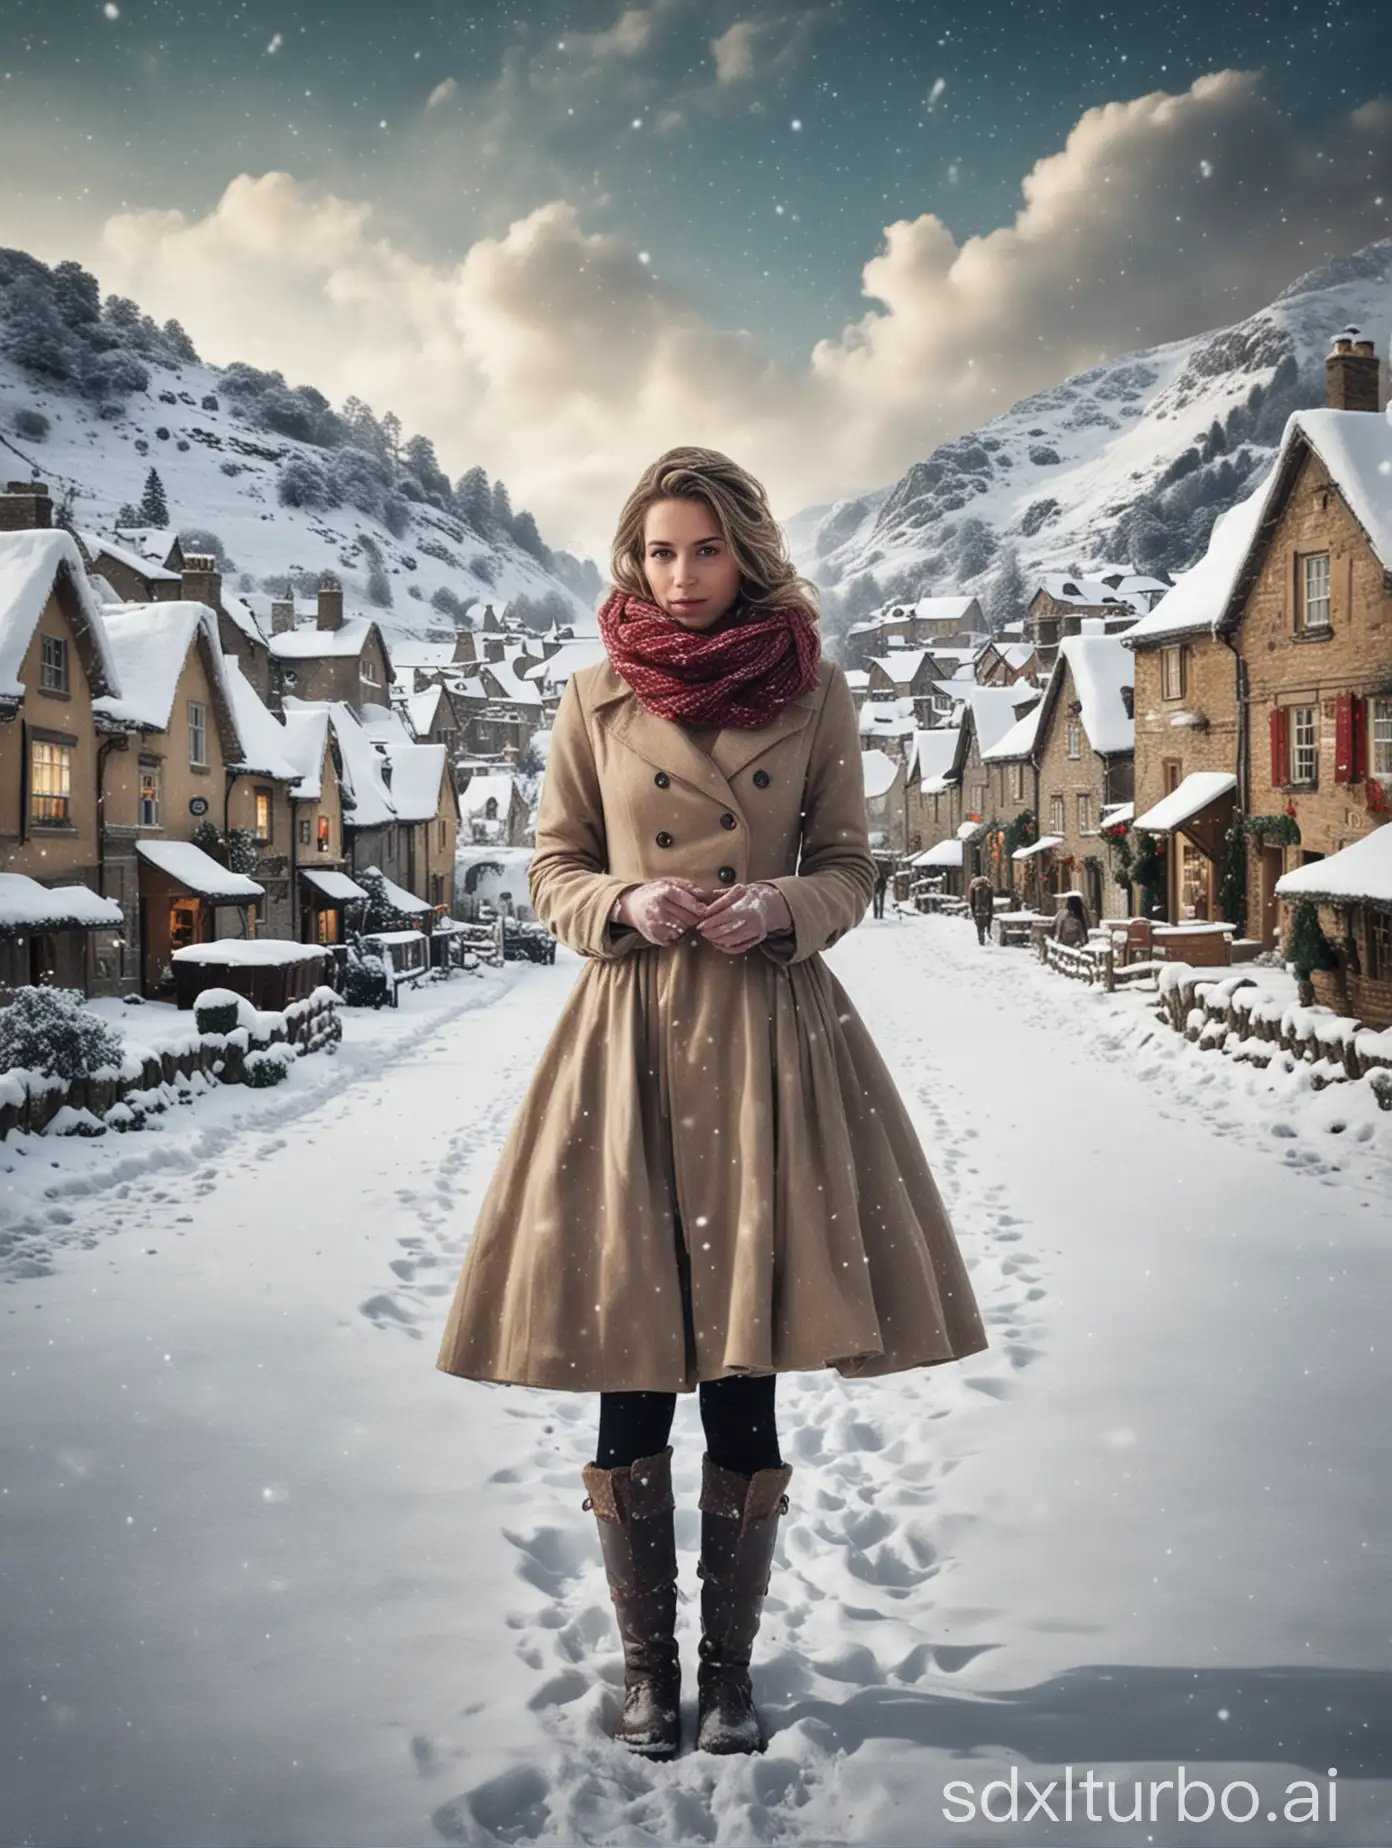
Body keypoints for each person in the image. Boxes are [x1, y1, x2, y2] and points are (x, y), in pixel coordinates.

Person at [434, 446, 988, 1763]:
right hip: (629, 1046)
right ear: (635, 559)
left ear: (748, 554)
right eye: (658, 551)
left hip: (766, 1044)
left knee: (742, 1369)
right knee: (633, 1358)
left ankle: (729, 1675)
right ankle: (646, 1670)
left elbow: (853, 866)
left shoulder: (817, 693)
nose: (679, 576)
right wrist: (622, 900)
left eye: (704, 550)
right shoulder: (592, 698)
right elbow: (551, 866)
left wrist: (782, 906)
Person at [967, 873, 995, 945]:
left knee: (979, 924)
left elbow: (972, 901)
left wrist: (973, 910)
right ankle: (988, 931)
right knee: (988, 920)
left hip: (978, 908)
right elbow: (991, 899)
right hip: (987, 907)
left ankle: (981, 937)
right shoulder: (987, 883)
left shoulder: (973, 885)